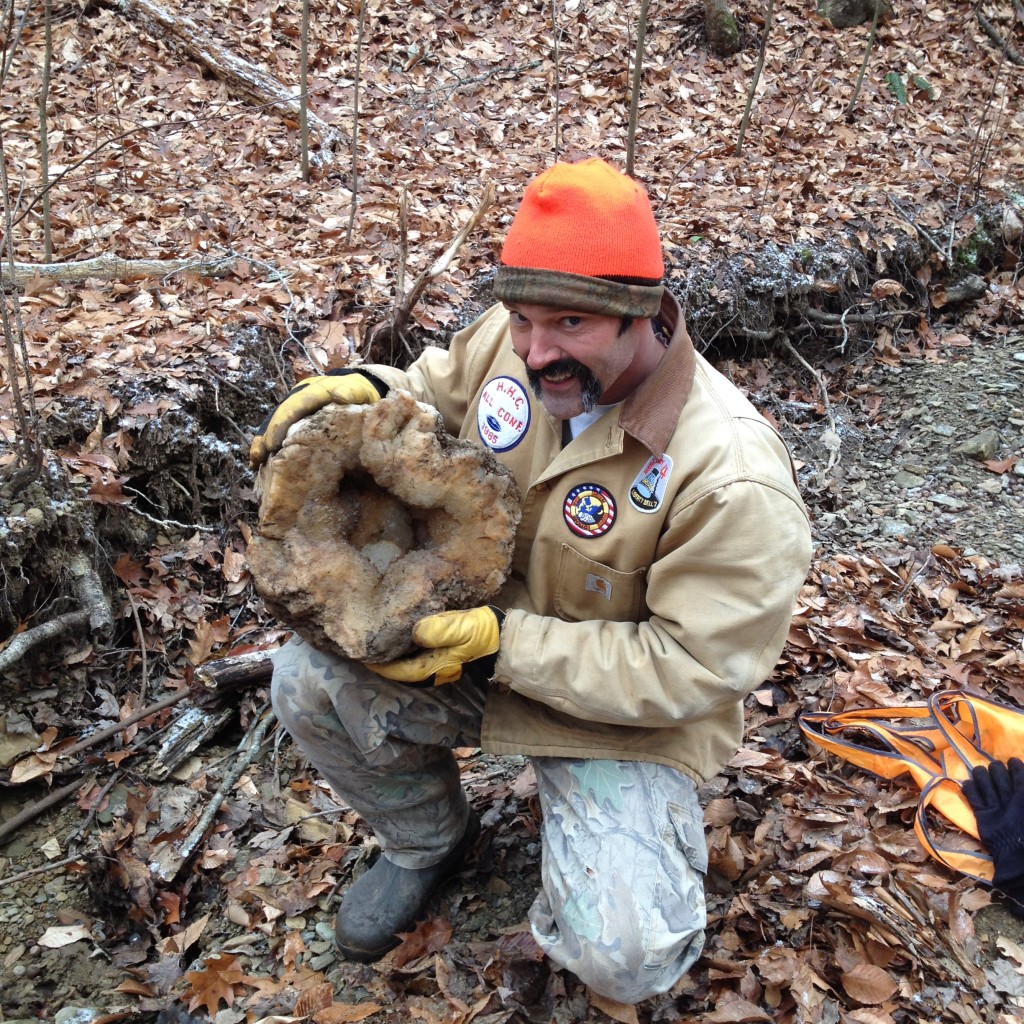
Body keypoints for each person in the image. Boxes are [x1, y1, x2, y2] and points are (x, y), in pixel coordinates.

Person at [249, 158, 813, 1003]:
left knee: (627, 955)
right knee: (306, 678)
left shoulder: (729, 474)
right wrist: (365, 392)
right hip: (476, 659)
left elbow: (694, 668)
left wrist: (503, 644)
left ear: (642, 313)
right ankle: (427, 842)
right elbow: (430, 396)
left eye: (571, 323)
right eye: (522, 318)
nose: (536, 349)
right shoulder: (513, 343)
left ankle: (604, 857)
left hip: (624, 723)